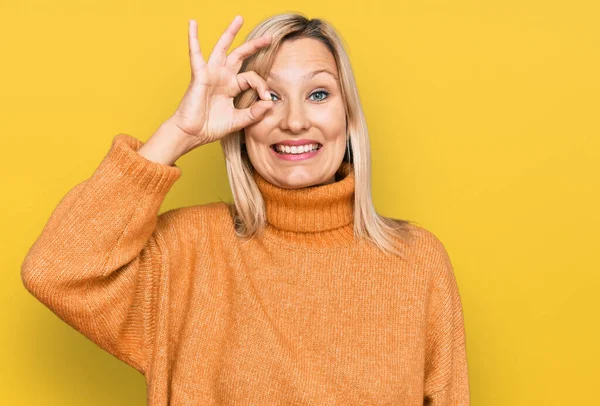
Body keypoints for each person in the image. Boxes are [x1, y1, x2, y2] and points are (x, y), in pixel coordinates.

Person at [21, 12, 470, 405]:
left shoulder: (416, 262)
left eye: (318, 94)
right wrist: (180, 132)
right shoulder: (189, 252)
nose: (294, 120)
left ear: (349, 119)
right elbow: (56, 269)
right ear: (241, 121)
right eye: (269, 96)